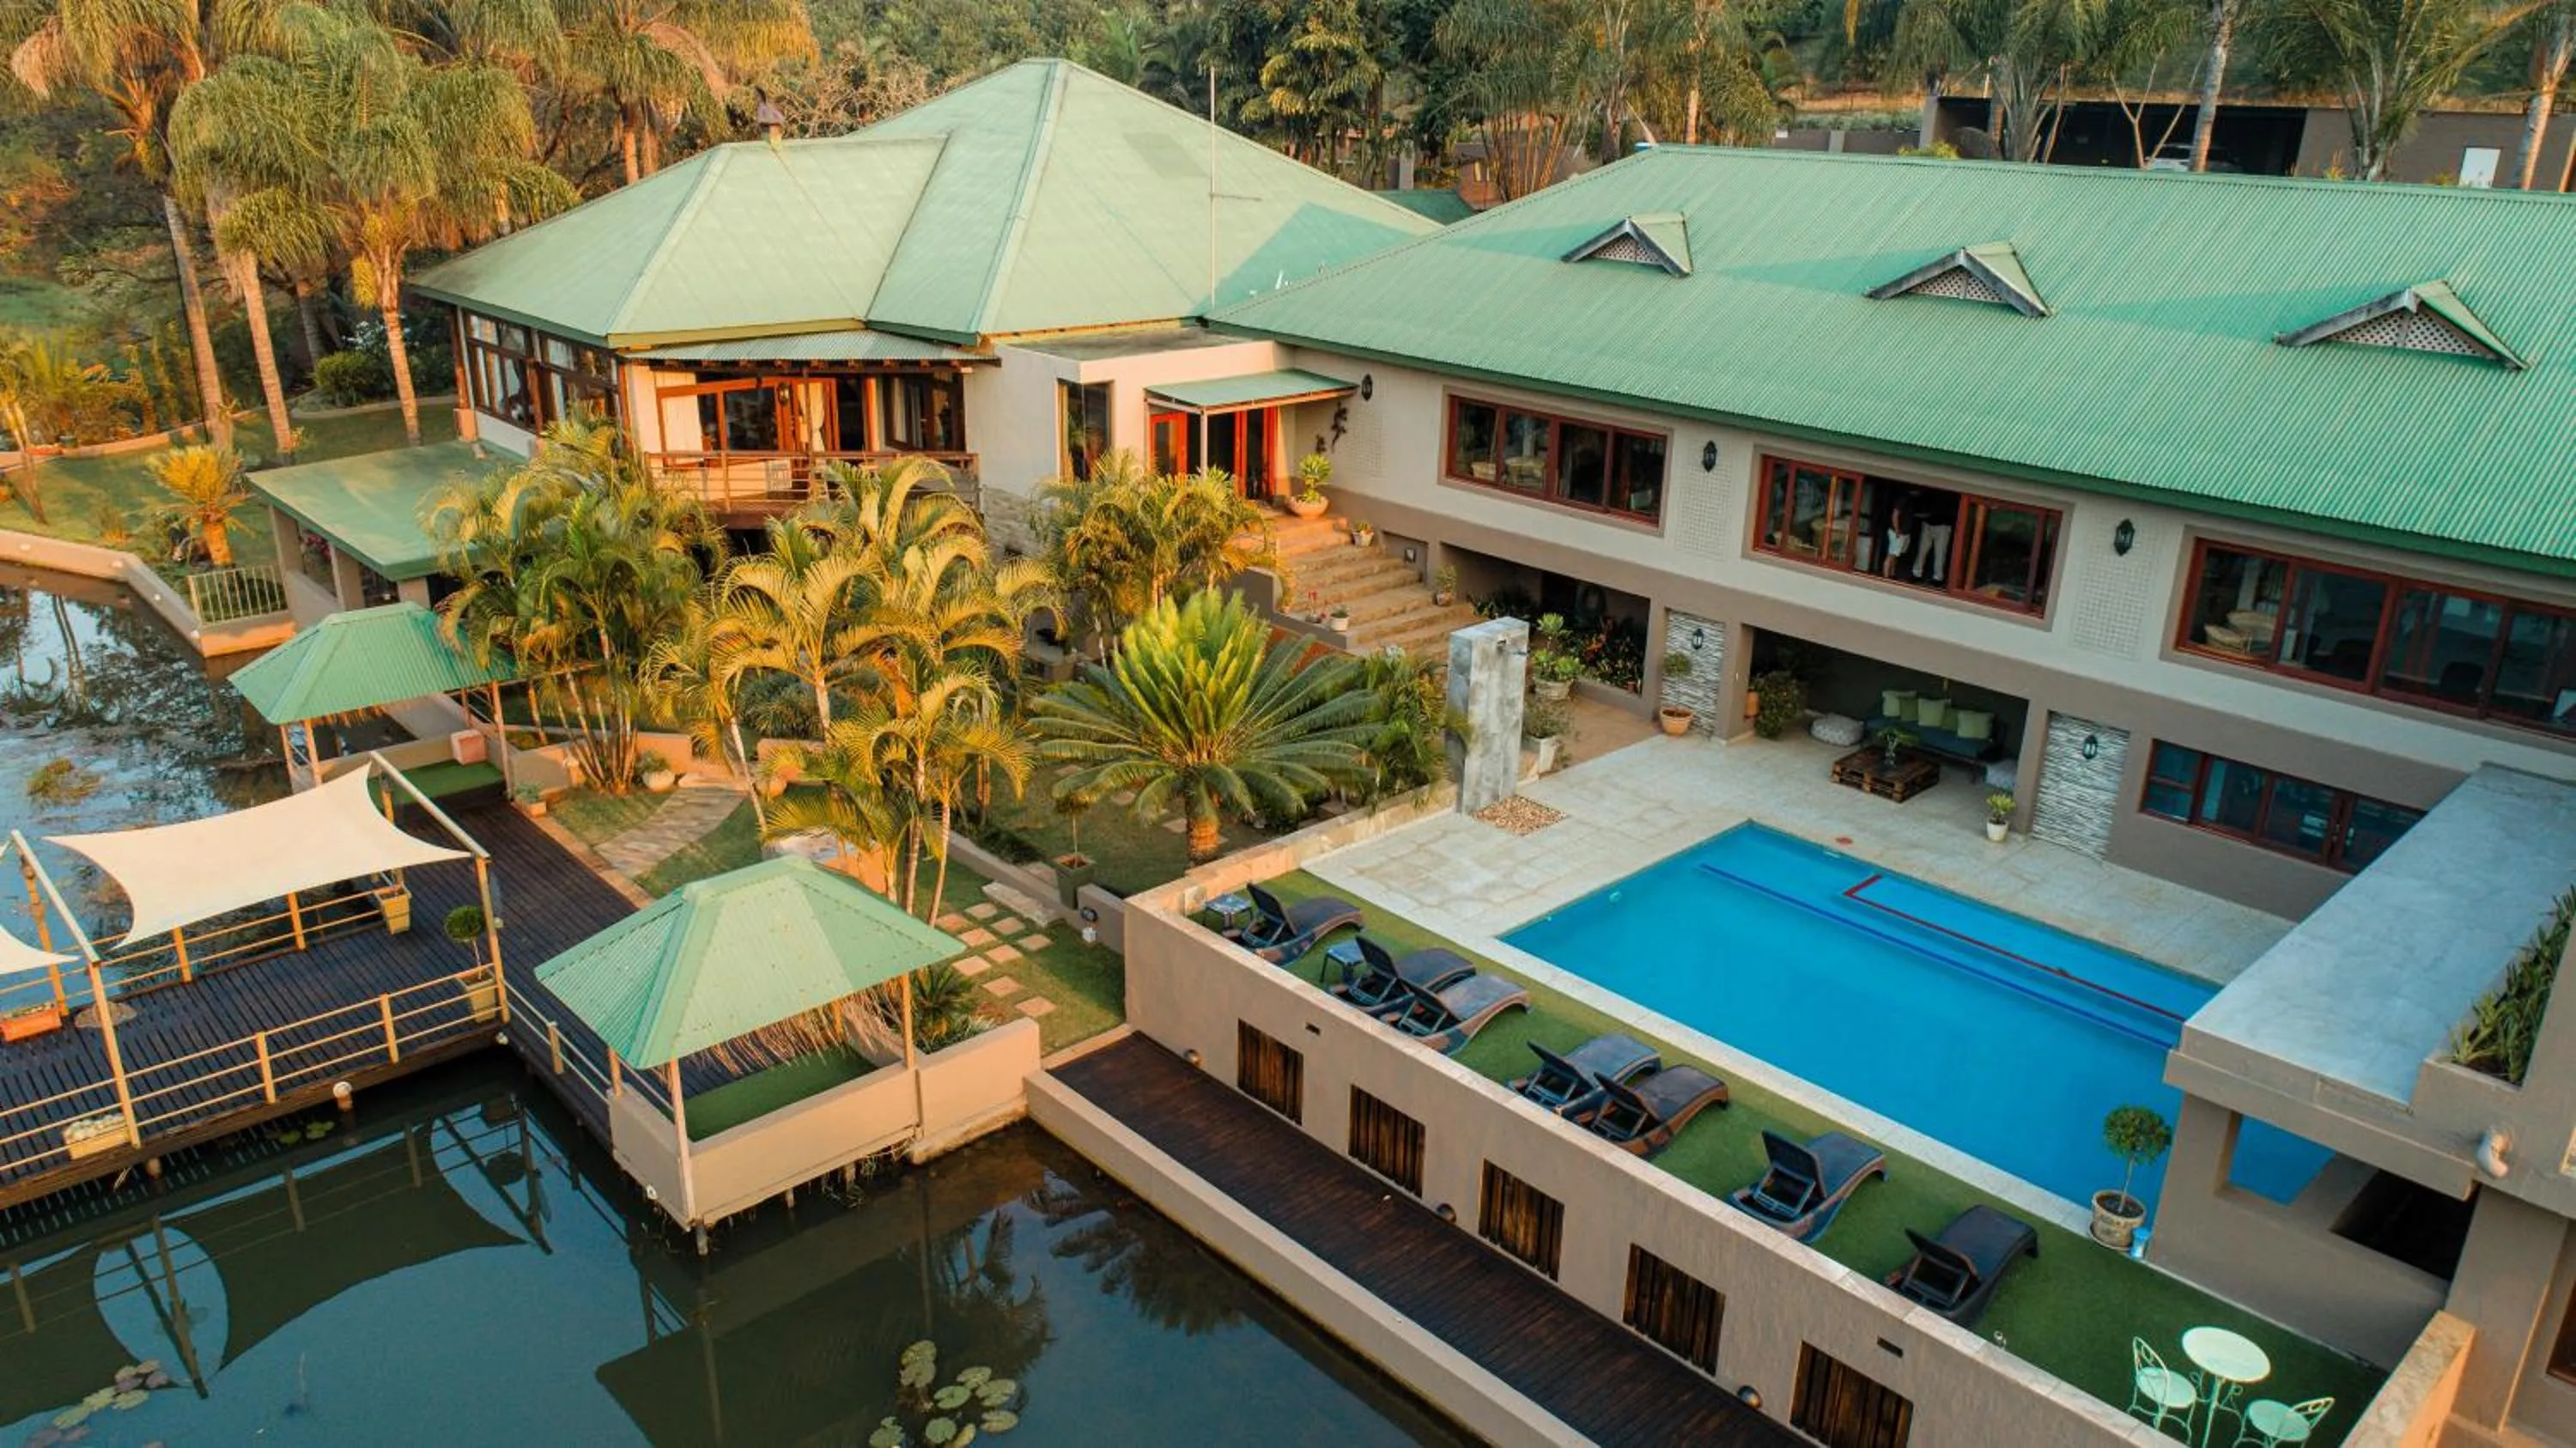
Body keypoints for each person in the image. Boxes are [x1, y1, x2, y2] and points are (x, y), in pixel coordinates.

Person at [1881, 498, 1913, 578]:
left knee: (1896, 555)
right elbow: (1895, 514)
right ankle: (1886, 577)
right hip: (1898, 533)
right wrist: (1897, 530)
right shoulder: (1903, 499)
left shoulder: (1910, 501)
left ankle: (1892, 573)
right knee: (1891, 555)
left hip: (1904, 533)